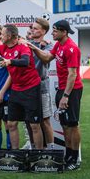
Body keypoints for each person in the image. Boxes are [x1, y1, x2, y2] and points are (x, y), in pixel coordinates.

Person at [28, 20, 83, 170]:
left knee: (73, 124)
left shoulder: (72, 48)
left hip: (72, 90)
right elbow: (46, 58)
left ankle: (75, 159)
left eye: (55, 30)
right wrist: (32, 46)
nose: (52, 33)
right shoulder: (59, 45)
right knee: (65, 124)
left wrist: (66, 96)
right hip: (62, 89)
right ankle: (68, 155)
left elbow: (73, 74)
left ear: (64, 32)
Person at [29, 18, 55, 150]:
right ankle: (33, 147)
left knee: (45, 120)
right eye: (32, 27)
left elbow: (46, 57)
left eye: (35, 28)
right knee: (30, 121)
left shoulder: (49, 45)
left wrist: (33, 46)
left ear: (43, 31)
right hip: (27, 88)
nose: (32, 30)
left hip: (42, 87)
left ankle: (50, 149)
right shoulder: (28, 43)